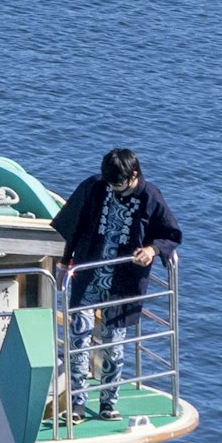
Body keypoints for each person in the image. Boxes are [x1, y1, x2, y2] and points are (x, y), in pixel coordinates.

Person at [52, 147, 182, 415]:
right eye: (110, 183)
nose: (114, 188)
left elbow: (171, 233)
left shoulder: (150, 197)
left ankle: (108, 403)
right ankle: (77, 402)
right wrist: (64, 263)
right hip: (89, 275)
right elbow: (72, 226)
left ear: (134, 175)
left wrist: (152, 250)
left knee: (114, 345)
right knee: (79, 340)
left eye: (119, 184)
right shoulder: (95, 187)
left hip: (123, 282)